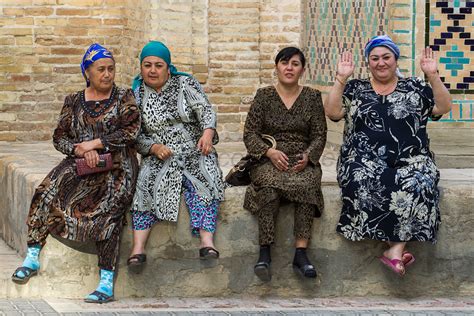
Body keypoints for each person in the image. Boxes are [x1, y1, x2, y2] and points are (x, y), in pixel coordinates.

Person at [11, 43, 141, 302]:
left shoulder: (124, 96)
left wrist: (97, 144)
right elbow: (59, 138)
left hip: (117, 166)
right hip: (82, 162)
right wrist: (80, 150)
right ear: (87, 72)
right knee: (47, 189)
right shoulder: (73, 101)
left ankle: (105, 281)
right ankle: (33, 254)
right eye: (101, 69)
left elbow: (131, 131)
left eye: (111, 69)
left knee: (110, 207)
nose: (107, 74)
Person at [324, 35, 452, 276]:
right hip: (362, 159)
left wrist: (433, 76)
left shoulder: (415, 88)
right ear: (368, 62)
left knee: (422, 179)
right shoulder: (356, 89)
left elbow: (442, 107)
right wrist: (341, 79)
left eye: (386, 57)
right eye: (375, 58)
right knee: (366, 180)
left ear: (395, 60)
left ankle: (394, 250)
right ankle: (395, 250)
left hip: (412, 159)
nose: (381, 63)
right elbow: (332, 112)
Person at [127, 41, 225, 271]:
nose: (152, 70)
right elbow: (134, 134)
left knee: (207, 177)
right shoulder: (136, 95)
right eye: (147, 65)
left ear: (168, 67)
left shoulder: (184, 83)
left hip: (195, 148)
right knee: (145, 183)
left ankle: (206, 242)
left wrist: (208, 134)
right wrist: (152, 148)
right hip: (160, 154)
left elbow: (205, 110)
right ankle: (138, 249)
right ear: (141, 68)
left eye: (158, 65)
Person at [243, 47, 327, 282]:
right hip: (269, 160)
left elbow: (319, 135)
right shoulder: (264, 96)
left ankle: (301, 254)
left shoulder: (312, 97)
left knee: (308, 184)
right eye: (284, 62)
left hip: (301, 161)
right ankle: (264, 253)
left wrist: (308, 156)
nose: (289, 68)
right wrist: (269, 152)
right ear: (277, 66)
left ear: (302, 69)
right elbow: (250, 133)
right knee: (268, 185)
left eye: (295, 63)